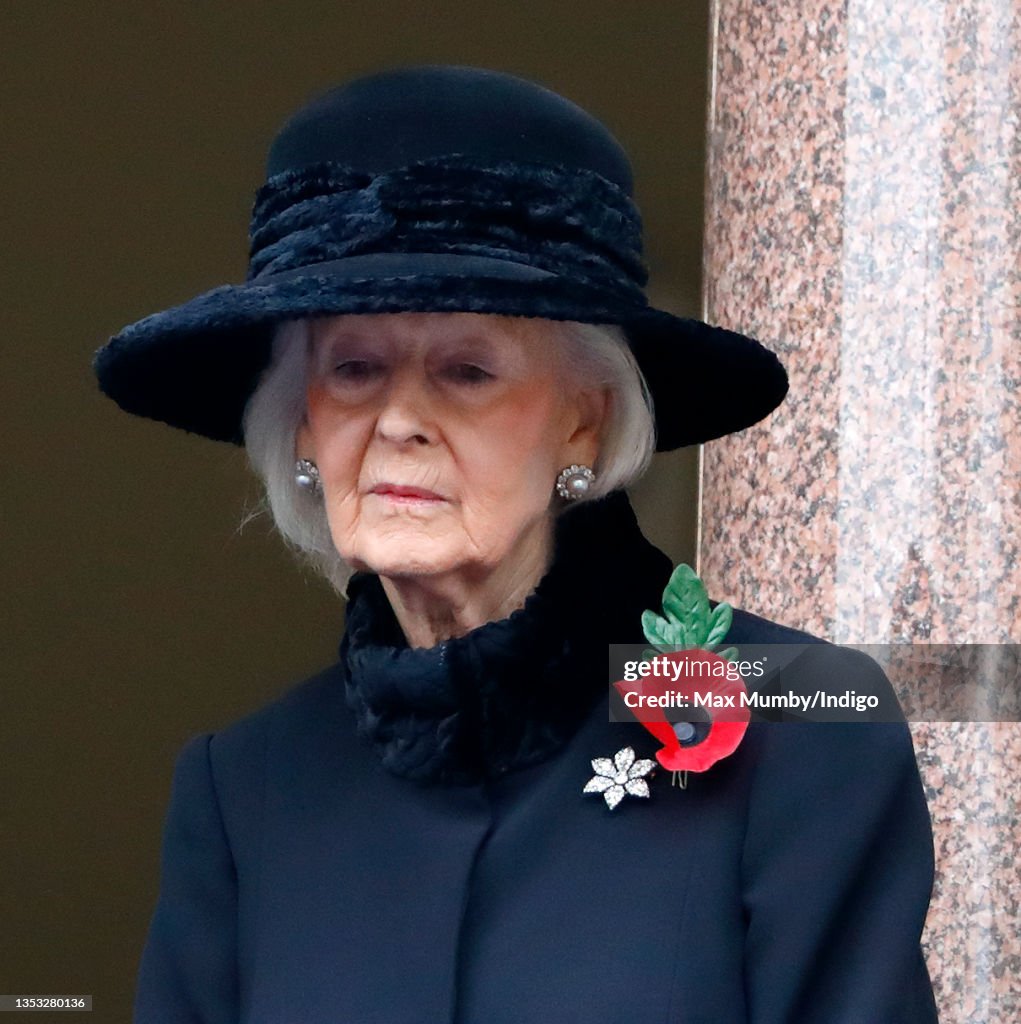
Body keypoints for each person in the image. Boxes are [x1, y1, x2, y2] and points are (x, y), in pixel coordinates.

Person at [92, 64, 939, 1023]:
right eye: (355, 368)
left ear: (584, 422)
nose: (399, 419)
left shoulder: (805, 727)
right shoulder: (244, 788)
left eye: (466, 369)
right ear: (300, 425)